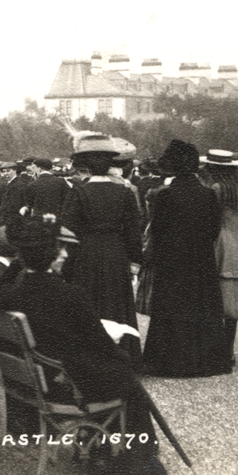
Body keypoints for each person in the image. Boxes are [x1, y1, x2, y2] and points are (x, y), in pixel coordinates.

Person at [0, 214, 168, 475]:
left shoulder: (14, 292)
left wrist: (18, 263)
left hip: (33, 377)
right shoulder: (69, 294)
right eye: (61, 249)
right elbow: (101, 345)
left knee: (112, 371)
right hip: (63, 383)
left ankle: (100, 452)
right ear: (51, 256)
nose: (66, 254)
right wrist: (122, 358)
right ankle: (139, 464)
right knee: (126, 380)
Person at [142, 141, 228, 377]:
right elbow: (214, 229)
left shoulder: (165, 196)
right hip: (200, 258)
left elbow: (157, 231)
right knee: (202, 305)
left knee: (173, 307)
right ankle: (204, 360)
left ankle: (170, 361)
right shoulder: (208, 194)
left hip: (172, 259)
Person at [60, 134, 144, 368]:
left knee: (89, 301)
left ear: (85, 165)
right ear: (111, 164)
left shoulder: (78, 192)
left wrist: (67, 262)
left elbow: (68, 230)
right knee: (117, 301)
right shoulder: (124, 193)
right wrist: (135, 260)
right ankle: (123, 357)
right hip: (116, 252)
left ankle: (91, 358)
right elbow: (133, 231)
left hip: (86, 252)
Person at [200, 149, 238, 370]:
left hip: (217, 242)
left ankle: (213, 350)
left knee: (214, 297)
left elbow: (208, 220)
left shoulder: (214, 188)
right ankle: (229, 350)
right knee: (232, 302)